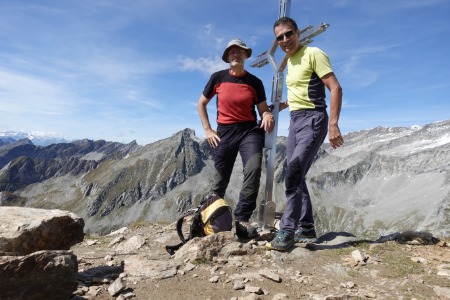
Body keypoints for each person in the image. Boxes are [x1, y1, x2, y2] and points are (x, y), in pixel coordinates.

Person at [266, 17, 344, 251]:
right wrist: (282, 106)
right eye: (280, 37)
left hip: (314, 119)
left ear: (298, 33)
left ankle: (287, 231)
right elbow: (301, 92)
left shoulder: (314, 53)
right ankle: (307, 228)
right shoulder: (290, 62)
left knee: (293, 172)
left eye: (288, 34)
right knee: (296, 173)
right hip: (295, 121)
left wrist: (333, 125)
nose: (285, 40)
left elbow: (335, 87)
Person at [198, 38, 275, 239]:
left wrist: (266, 114)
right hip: (224, 132)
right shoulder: (217, 78)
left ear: (245, 55)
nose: (235, 54)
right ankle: (211, 218)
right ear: (227, 57)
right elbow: (201, 103)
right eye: (232, 52)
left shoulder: (255, 82)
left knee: (253, 168)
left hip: (249, 131)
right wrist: (207, 130)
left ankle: (242, 218)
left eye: (239, 51)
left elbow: (263, 108)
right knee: (219, 178)